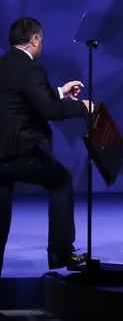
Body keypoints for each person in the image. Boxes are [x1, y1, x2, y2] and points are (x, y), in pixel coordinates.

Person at [0, 17, 92, 276]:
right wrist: (83, 107)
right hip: (17, 153)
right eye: (41, 40)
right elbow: (48, 110)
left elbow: (25, 95)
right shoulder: (31, 69)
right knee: (61, 181)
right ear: (34, 40)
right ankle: (60, 252)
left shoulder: (4, 63)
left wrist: (61, 92)